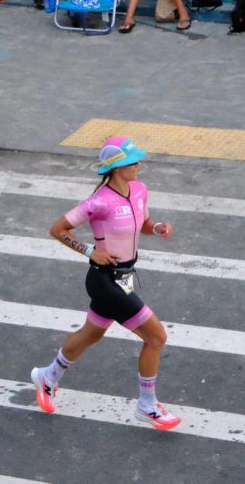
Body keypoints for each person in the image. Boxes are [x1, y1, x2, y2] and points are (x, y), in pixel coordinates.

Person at [31, 136, 181, 431]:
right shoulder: (98, 201)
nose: (139, 164)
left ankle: (48, 376)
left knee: (91, 334)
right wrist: (90, 251)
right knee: (156, 337)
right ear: (116, 166)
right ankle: (147, 406)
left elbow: (144, 225)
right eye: (132, 160)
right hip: (104, 280)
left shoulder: (140, 190)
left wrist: (158, 227)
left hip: (124, 277)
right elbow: (57, 229)